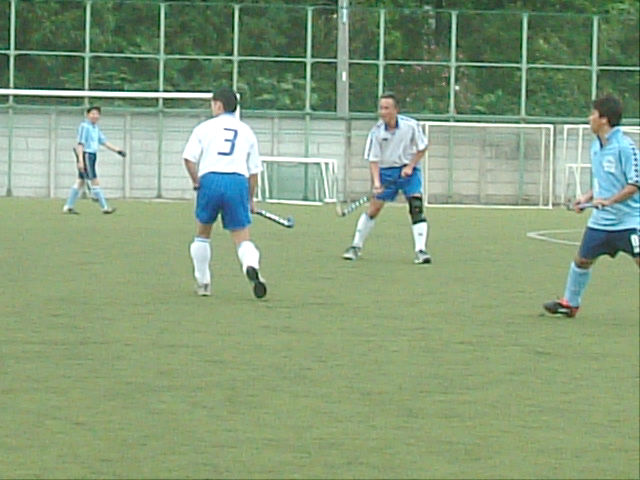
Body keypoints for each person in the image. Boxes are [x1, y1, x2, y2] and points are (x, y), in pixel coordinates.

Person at [544, 95, 639, 317]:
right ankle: (570, 304)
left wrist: (610, 201)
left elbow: (634, 184)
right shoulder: (597, 146)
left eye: (593, 114)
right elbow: (603, 183)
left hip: (630, 222)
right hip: (601, 221)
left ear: (604, 119)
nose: (589, 118)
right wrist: (586, 198)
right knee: (582, 261)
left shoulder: (625, 147)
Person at [182, 87, 266, 298]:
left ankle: (203, 282)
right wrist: (250, 199)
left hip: (210, 180)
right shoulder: (246, 131)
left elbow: (189, 159)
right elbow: (254, 172)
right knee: (242, 237)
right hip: (237, 182)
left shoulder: (203, 128)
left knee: (203, 234)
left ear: (218, 105)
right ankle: (250, 265)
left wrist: (196, 181)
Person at [342, 93, 431, 264]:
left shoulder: (411, 126)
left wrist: (410, 166)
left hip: (409, 170)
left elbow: (422, 147)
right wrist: (377, 183)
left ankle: (421, 250)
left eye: (386, 108)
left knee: (416, 206)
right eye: (381, 108)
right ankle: (355, 246)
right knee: (374, 209)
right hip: (386, 172)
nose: (383, 112)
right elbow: (373, 160)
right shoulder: (376, 132)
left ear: (396, 110)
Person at [62, 106, 125, 214]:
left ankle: (68, 206)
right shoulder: (84, 126)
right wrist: (80, 161)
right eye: (92, 113)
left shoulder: (95, 128)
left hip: (92, 156)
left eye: (97, 114)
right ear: (88, 115)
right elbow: (80, 144)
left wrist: (117, 150)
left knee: (80, 181)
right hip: (87, 155)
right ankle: (104, 207)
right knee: (94, 180)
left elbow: (104, 141)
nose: (95, 116)